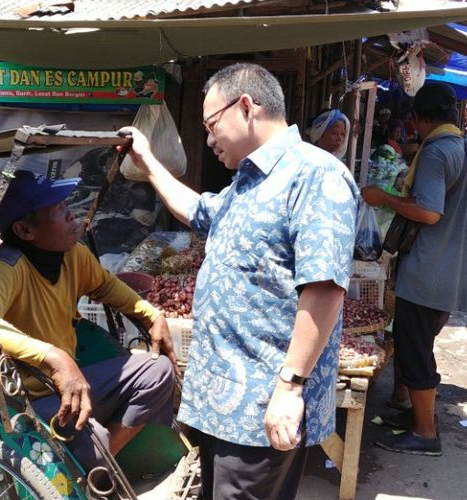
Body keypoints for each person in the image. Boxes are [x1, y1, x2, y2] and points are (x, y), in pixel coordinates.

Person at [120, 62, 358, 499]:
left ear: (245, 107)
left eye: (212, 125)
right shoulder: (248, 181)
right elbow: (198, 211)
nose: (209, 139)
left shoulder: (314, 175)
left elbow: (324, 289)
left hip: (260, 404)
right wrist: (148, 161)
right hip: (227, 403)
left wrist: (289, 387)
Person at [0, 170, 177, 470]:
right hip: (20, 399)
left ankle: (102, 466)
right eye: (57, 210)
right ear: (25, 230)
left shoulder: (72, 254)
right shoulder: (5, 268)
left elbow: (105, 285)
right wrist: (53, 357)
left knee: (158, 371)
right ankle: (95, 461)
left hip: (65, 386)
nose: (70, 215)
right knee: (95, 445)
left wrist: (151, 314)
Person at [362, 81, 467, 456]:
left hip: (427, 271)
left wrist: (382, 197)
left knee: (415, 349)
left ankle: (425, 434)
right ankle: (416, 418)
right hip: (449, 268)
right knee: (417, 346)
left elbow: (428, 211)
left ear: (420, 119)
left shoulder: (437, 152)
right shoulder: (459, 146)